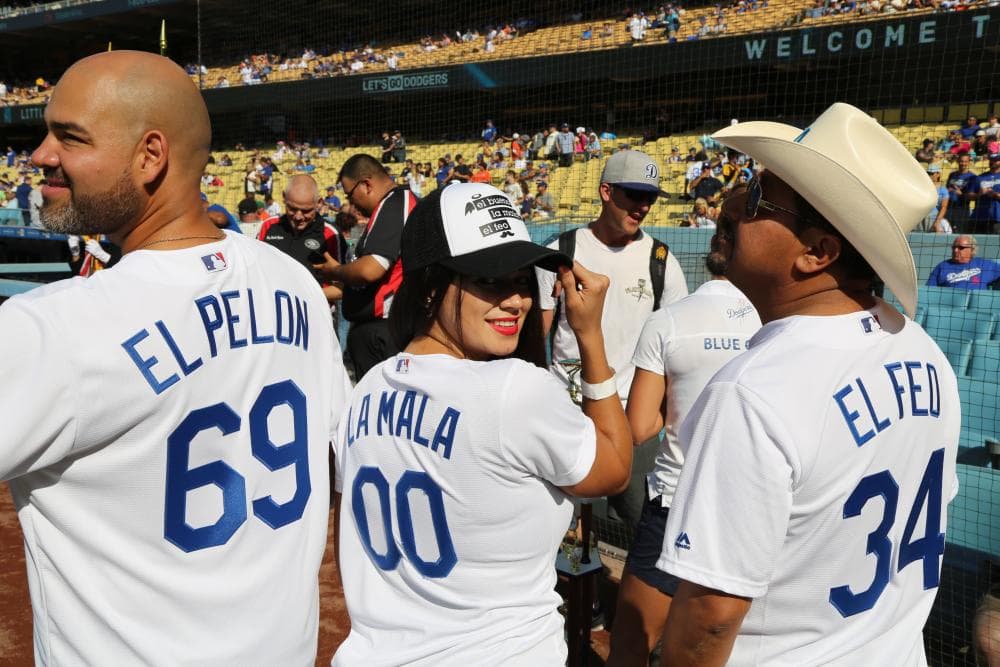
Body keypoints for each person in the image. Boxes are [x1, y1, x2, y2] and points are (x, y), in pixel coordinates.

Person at [0, 50, 350, 664]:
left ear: (150, 156)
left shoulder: (53, 328)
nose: (41, 156)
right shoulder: (293, 283)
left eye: (69, 137)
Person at [657, 102, 961, 665]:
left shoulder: (754, 391)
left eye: (759, 198)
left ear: (817, 254)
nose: (735, 206)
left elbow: (710, 617)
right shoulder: (923, 350)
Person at [330, 182, 633, 665]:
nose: (516, 300)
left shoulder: (366, 389)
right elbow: (614, 468)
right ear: (431, 287)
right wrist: (590, 337)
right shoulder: (515, 390)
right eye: (490, 280)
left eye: (522, 280)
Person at [607, 235, 761, 666]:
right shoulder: (776, 323)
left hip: (677, 502)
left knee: (632, 642)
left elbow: (640, 427)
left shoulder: (668, 321)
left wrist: (677, 405)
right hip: (748, 507)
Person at [537, 150, 688, 534]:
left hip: (630, 424)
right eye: (634, 195)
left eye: (650, 197)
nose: (643, 206)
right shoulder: (561, 251)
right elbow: (537, 337)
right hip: (566, 416)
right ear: (606, 191)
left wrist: (653, 419)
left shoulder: (662, 261)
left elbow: (677, 351)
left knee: (647, 533)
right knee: (551, 532)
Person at [314, 153, 417, 379]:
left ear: (367, 185)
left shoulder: (394, 204)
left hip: (384, 333)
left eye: (351, 195)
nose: (352, 204)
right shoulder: (391, 206)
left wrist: (336, 271)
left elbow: (369, 270)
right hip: (380, 333)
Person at [258, 174, 348, 305]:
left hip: (315, 313)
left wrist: (302, 296)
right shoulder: (267, 226)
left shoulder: (330, 234)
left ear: (319, 203)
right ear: (284, 197)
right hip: (273, 311)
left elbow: (345, 287)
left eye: (306, 211)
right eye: (292, 209)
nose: (298, 216)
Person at [926, 234, 1000, 289]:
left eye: (961, 247)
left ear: (972, 250)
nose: (955, 250)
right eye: (954, 247)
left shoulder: (985, 265)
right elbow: (929, 290)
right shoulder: (942, 267)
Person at [968, 152, 1000, 234]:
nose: (993, 162)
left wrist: (996, 195)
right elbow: (969, 195)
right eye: (991, 160)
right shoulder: (979, 177)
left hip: (997, 217)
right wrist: (979, 194)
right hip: (979, 217)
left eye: (996, 160)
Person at [945, 153, 977, 232]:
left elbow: (974, 196)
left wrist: (961, 194)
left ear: (969, 162)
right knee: (948, 231)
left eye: (965, 161)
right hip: (949, 208)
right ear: (958, 161)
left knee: (960, 231)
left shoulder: (972, 177)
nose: (963, 163)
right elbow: (947, 187)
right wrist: (948, 190)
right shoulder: (952, 175)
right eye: (961, 161)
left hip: (962, 209)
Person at [921, 164, 950, 233]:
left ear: (938, 174)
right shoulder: (922, 187)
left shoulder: (943, 190)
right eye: (928, 173)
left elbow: (944, 207)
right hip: (920, 216)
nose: (929, 175)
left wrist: (937, 222)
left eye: (932, 173)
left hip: (933, 217)